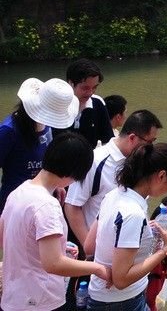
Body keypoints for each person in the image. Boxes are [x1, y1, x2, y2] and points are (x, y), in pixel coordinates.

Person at [0, 132, 111, 311]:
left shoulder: (19, 191)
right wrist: (97, 268)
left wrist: (57, 247)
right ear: (74, 172)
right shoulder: (47, 206)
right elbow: (54, 264)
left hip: (14, 296)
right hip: (40, 300)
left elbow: (6, 238)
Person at [87, 142, 167, 310]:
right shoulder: (133, 214)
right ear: (162, 176)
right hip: (121, 302)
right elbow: (121, 280)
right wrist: (166, 247)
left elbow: (90, 246)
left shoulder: (114, 195)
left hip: (103, 296)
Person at [65, 109, 163, 252]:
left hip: (128, 248)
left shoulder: (141, 163)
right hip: (100, 252)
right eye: (150, 142)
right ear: (132, 138)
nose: (151, 148)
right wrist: (90, 250)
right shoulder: (95, 161)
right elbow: (72, 205)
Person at [0, 77, 77, 214]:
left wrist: (55, 183)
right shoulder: (8, 131)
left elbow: (45, 159)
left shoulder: (45, 124)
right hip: (14, 204)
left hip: (43, 200)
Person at [58, 58, 114, 148]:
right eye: (85, 88)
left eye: (94, 87)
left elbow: (107, 140)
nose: (90, 92)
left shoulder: (97, 103)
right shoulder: (56, 105)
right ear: (70, 83)